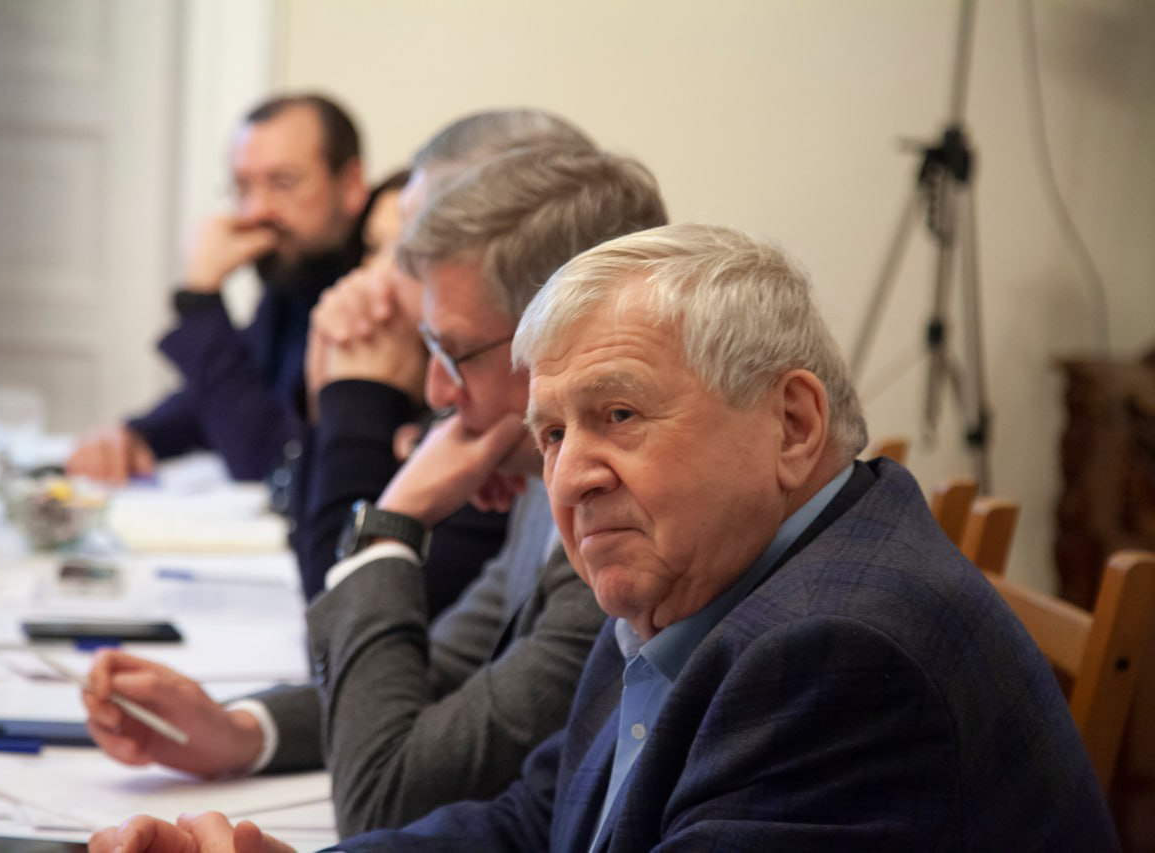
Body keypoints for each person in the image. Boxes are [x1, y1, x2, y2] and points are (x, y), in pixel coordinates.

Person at [96, 224, 1118, 851]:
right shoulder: (689, 579)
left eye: (618, 415)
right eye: (550, 433)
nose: (570, 475)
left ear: (792, 424)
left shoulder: (837, 653)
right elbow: (537, 823)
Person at [83, 142, 669, 843]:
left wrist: (392, 522)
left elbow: (387, 794)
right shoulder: (537, 492)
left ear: (557, 333)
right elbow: (444, 671)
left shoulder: (612, 523)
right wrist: (243, 731)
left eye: (453, 353)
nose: (436, 390)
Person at [295, 108, 596, 605]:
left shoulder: (505, 399)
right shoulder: (453, 374)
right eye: (375, 249)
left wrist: (355, 394)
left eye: (410, 253)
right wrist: (322, 395)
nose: (372, 279)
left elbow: (330, 601)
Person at [66, 93, 367, 484]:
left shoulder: (368, 298)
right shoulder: (294, 279)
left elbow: (273, 464)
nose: (256, 210)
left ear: (351, 185)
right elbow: (227, 396)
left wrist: (202, 300)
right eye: (242, 187)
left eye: (283, 182)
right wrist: (135, 435)